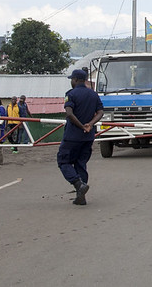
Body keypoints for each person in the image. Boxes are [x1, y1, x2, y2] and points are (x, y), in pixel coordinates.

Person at [58, 69, 104, 206]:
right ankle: (81, 197)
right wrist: (90, 124)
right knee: (81, 164)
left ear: (76, 80)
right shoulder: (93, 95)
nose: (71, 82)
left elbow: (69, 113)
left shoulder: (71, 94)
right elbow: (101, 112)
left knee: (63, 161)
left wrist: (81, 126)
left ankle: (78, 184)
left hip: (72, 136)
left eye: (72, 79)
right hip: (88, 137)